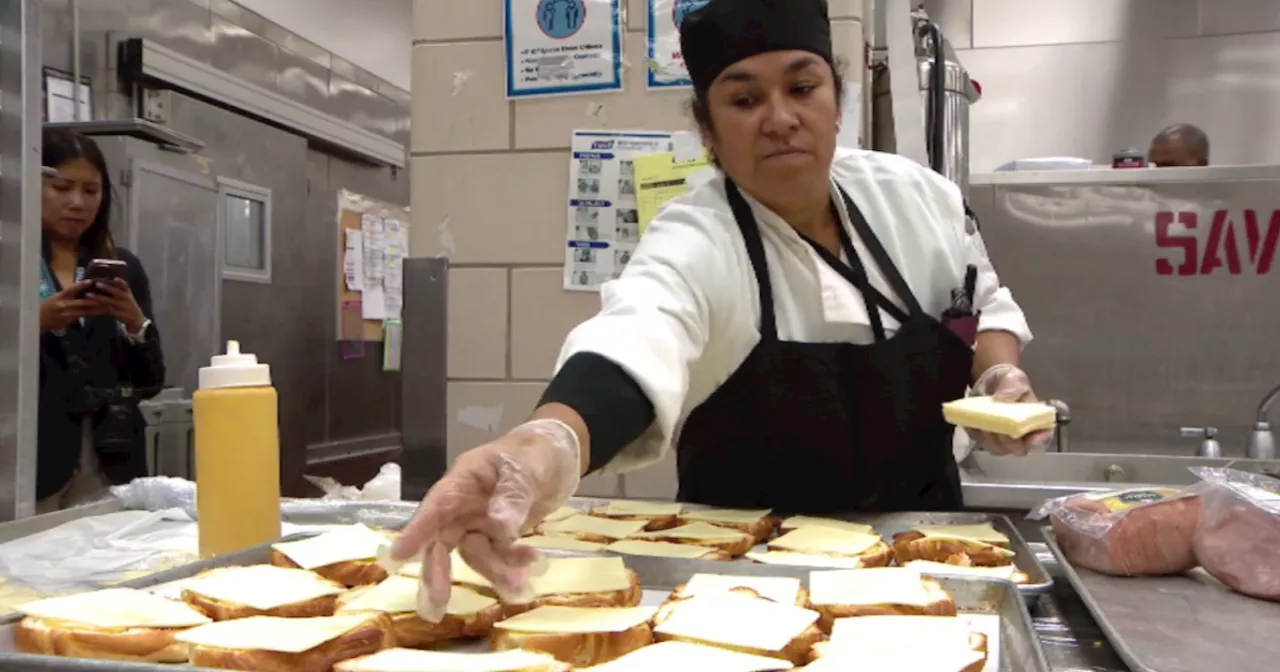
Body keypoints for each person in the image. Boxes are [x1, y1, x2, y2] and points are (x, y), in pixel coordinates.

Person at [392, 0, 1048, 610]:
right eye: (743, 98)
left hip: (926, 555)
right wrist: (541, 448)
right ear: (708, 130)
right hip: (747, 585)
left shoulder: (919, 199)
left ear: (836, 102)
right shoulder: (698, 236)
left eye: (801, 87)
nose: (780, 117)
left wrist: (997, 377)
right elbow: (635, 338)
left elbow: (981, 304)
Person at [37, 128, 165, 513]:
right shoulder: (11, 258)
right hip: (29, 462)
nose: (77, 202)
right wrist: (34, 324)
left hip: (111, 460)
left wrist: (134, 324)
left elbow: (150, 381)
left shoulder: (122, 267)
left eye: (91, 191)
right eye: (62, 187)